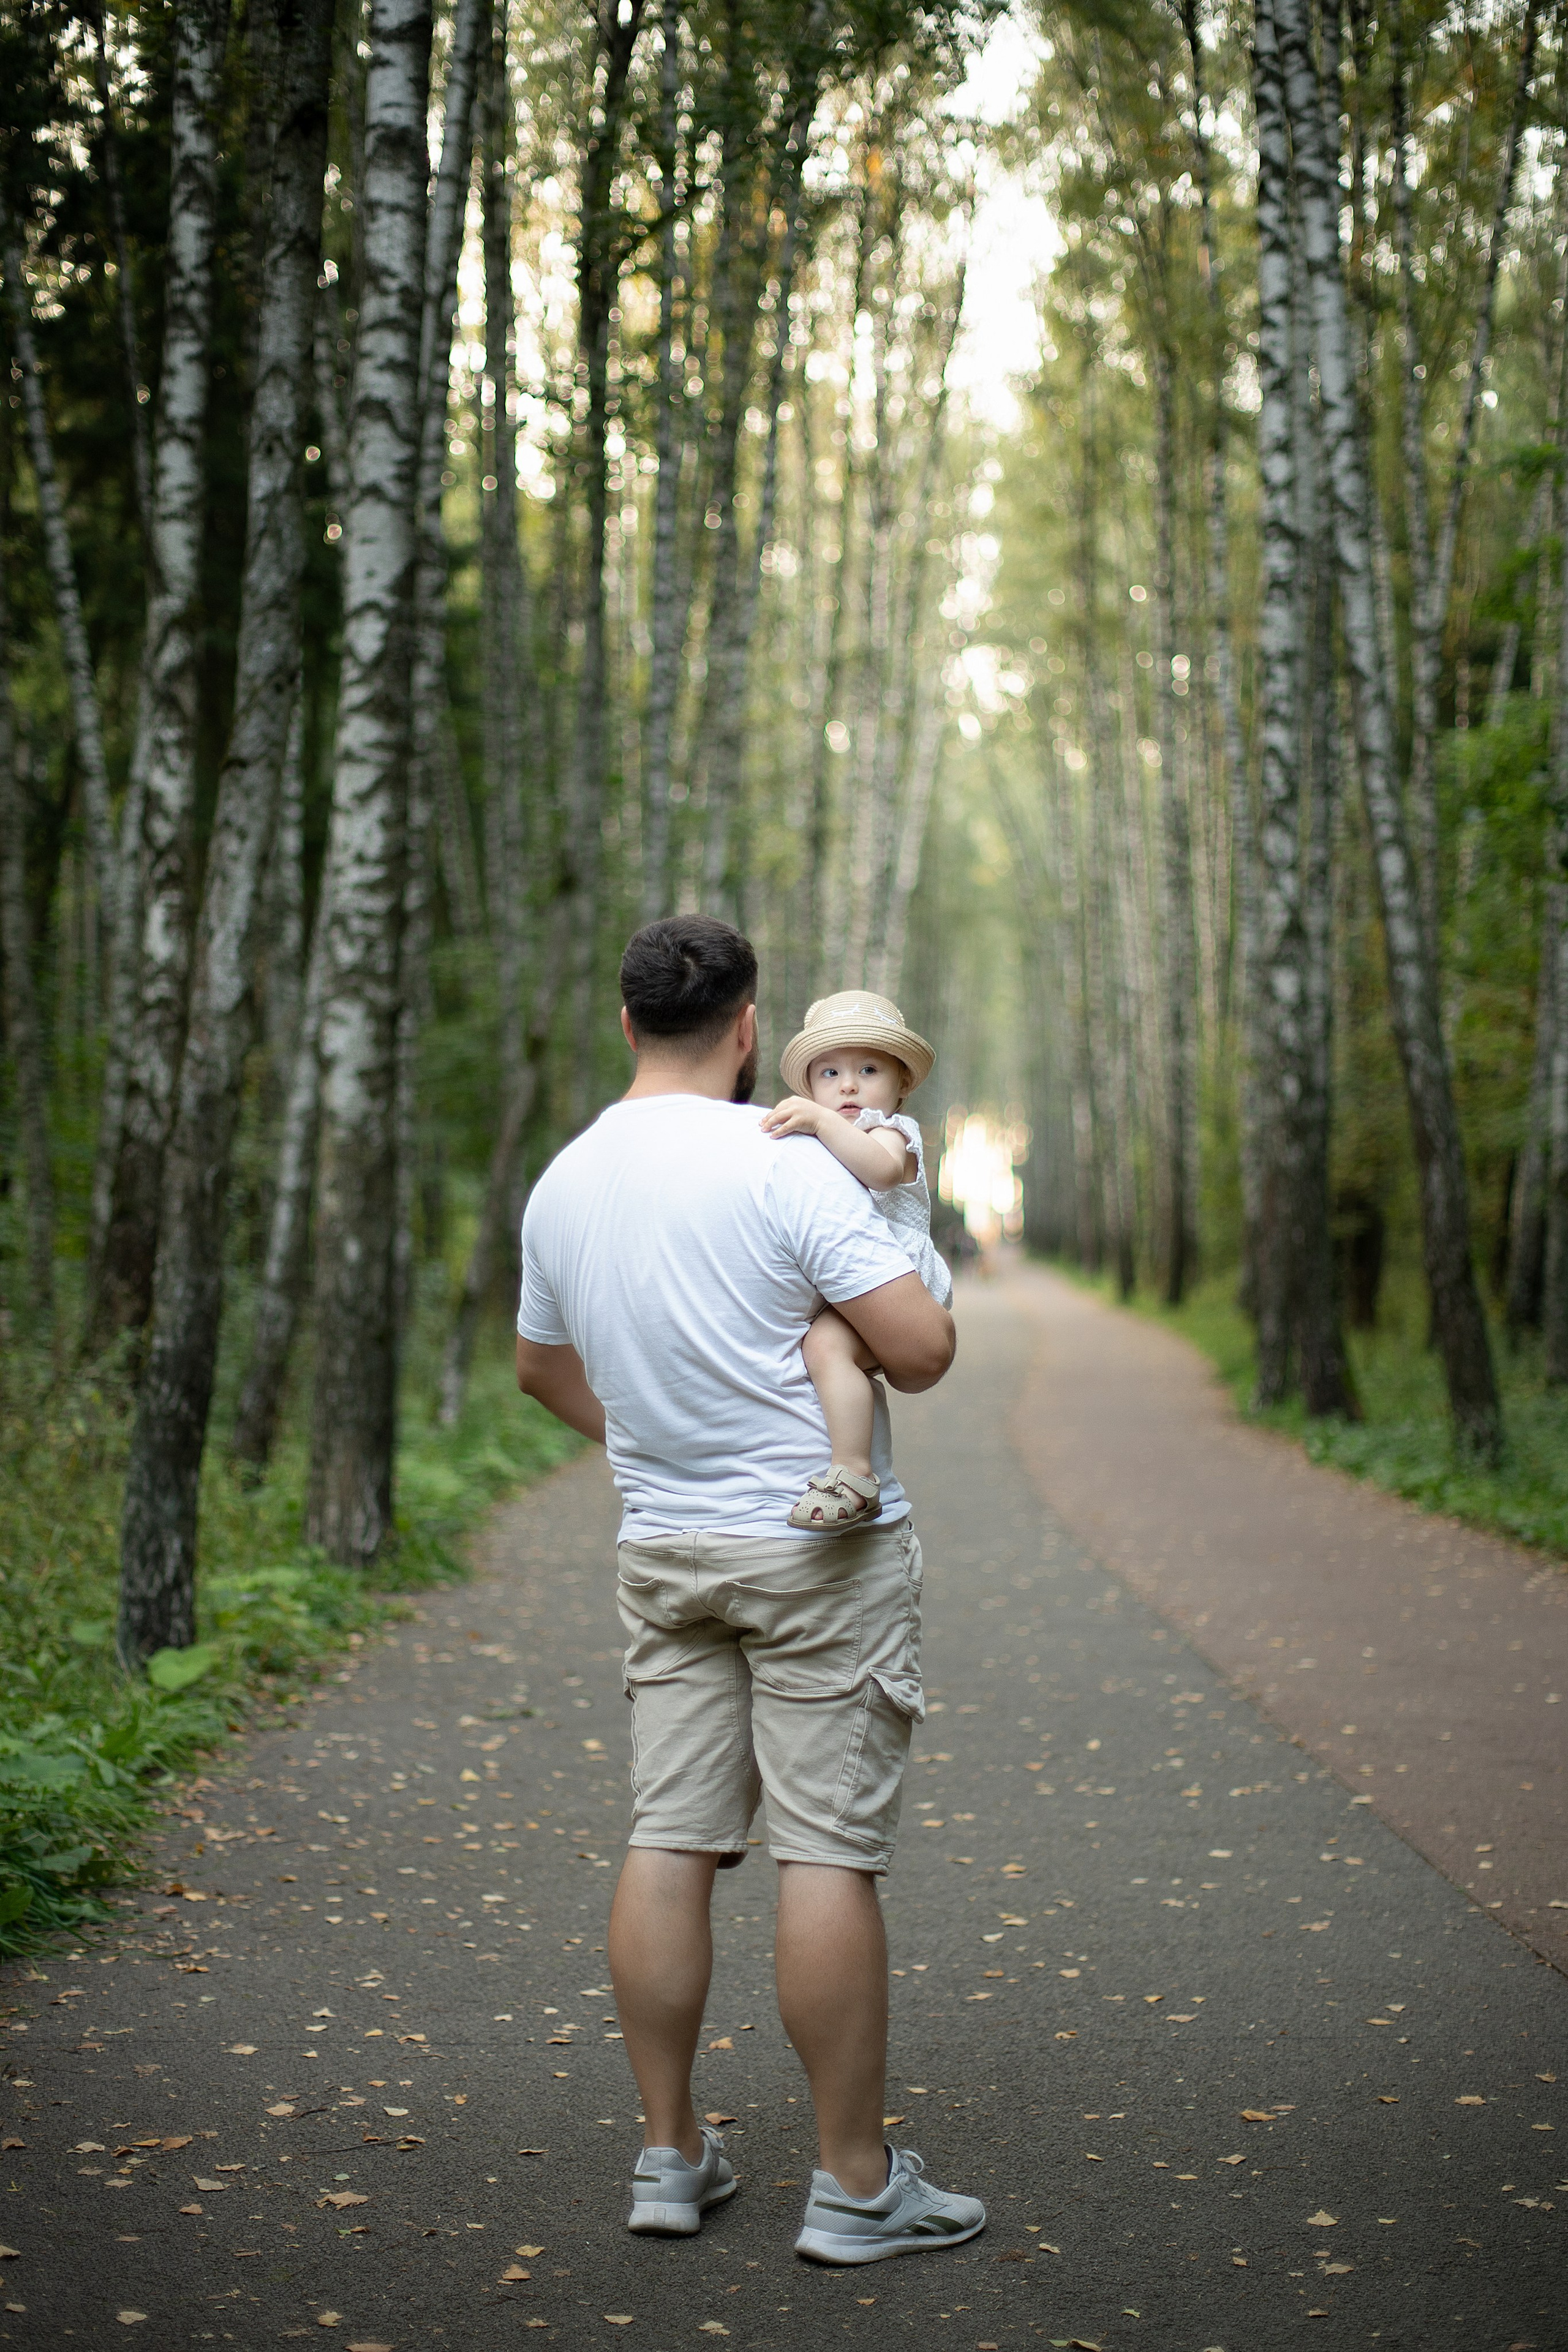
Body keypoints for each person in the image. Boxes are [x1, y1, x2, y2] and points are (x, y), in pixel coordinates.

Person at [514, 915, 986, 2266]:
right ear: (742, 1028)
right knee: (825, 1852)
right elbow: (922, 1349)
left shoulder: (563, 1181)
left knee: (669, 1836)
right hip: (815, 1553)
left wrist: (663, 1438)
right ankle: (852, 2185)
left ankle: (668, 2157)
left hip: (664, 1551)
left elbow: (542, 1372)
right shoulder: (784, 1158)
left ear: (624, 1026)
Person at [760, 991, 953, 1532]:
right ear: (810, 1085)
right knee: (816, 1351)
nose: (848, 1085)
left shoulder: (891, 1132)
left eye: (868, 1069)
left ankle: (853, 1472)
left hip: (900, 1278)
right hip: (847, 1279)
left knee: (824, 1346)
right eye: (830, 1073)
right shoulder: (827, 1139)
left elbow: (883, 1172)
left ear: (901, 1084)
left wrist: (822, 1125)